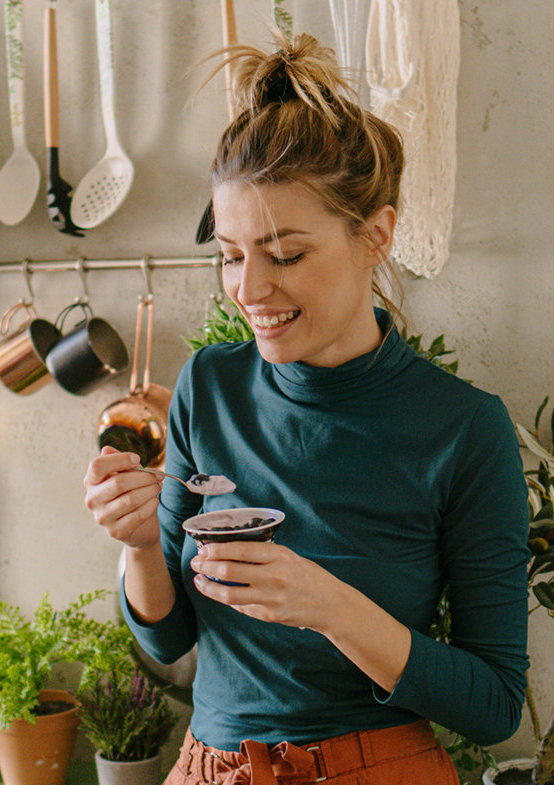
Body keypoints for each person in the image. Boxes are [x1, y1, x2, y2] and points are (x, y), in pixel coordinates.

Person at [81, 33, 528, 785]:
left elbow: (494, 704)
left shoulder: (462, 430)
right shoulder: (208, 389)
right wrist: (135, 545)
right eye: (230, 254)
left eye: (285, 254)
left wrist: (329, 606)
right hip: (210, 768)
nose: (249, 290)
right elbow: (169, 642)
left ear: (374, 236)